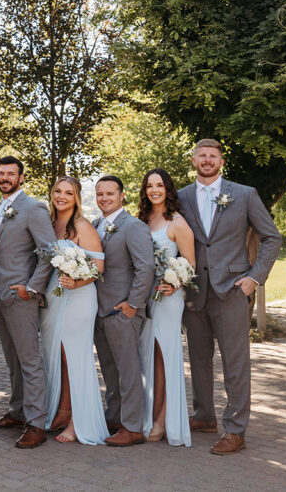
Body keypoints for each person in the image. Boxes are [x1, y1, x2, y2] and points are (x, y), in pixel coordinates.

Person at [178, 139, 281, 455]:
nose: (207, 160)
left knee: (235, 363)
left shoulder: (244, 194)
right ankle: (205, 415)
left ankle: (235, 430)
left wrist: (254, 278)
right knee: (198, 358)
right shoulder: (180, 197)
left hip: (233, 290)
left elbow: (272, 237)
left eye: (213, 156)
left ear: (221, 161)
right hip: (194, 292)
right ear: (194, 160)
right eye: (202, 155)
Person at [0, 156, 55, 449]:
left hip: (21, 296)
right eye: (1, 173)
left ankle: (37, 423)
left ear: (21, 177)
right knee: (12, 359)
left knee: (29, 360)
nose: (4, 177)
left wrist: (31, 288)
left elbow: (49, 252)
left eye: (10, 174)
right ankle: (18, 411)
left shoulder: (34, 208)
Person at [39, 176, 109, 445]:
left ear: (76, 197)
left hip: (78, 297)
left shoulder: (82, 225)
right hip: (54, 299)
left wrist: (77, 280)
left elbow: (99, 266)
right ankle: (63, 410)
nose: (62, 196)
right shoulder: (48, 224)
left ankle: (78, 423)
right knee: (57, 356)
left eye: (68, 193)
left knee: (74, 358)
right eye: (58, 191)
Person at [93, 175, 154, 447]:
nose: (104, 198)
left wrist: (133, 304)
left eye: (110, 193)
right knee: (109, 368)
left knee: (128, 370)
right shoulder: (96, 225)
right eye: (100, 194)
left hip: (123, 310)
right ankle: (115, 417)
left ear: (121, 196)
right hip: (100, 309)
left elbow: (146, 268)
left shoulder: (134, 227)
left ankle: (133, 427)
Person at [138, 168, 195, 447]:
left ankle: (162, 420)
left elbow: (190, 264)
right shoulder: (143, 220)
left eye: (159, 185)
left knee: (163, 357)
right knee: (148, 357)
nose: (154, 190)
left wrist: (175, 284)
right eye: (149, 186)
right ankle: (149, 414)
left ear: (167, 189)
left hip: (167, 298)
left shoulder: (177, 222)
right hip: (145, 297)